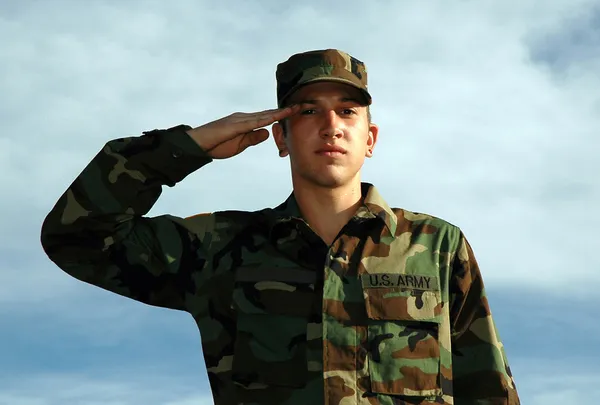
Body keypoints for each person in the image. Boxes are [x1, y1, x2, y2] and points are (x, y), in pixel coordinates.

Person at [41, 49, 520, 405]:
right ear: (281, 137)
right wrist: (187, 146)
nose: (331, 125)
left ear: (369, 138)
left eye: (348, 111)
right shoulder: (221, 248)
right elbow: (78, 236)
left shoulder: (435, 245)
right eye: (308, 111)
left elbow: (489, 389)